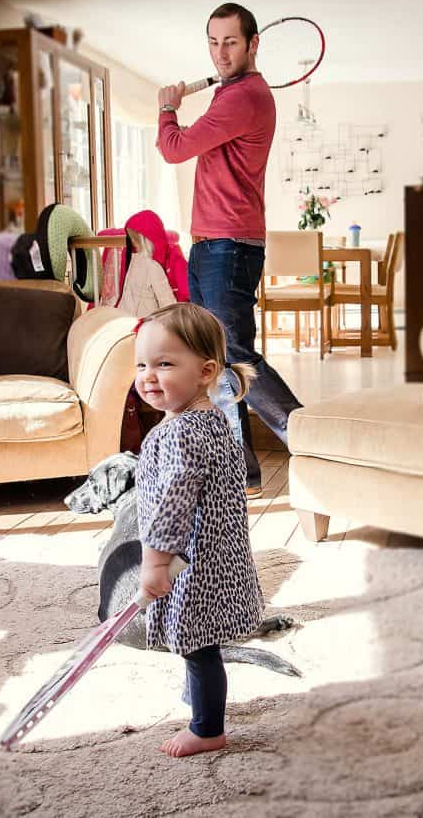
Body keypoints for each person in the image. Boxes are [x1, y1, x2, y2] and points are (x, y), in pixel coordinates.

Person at [157, 2, 302, 497]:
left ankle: (311, 440)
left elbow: (175, 147)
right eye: (213, 42)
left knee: (235, 356)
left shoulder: (245, 98)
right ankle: (239, 468)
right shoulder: (233, 95)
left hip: (229, 247)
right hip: (212, 245)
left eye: (231, 42)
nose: (221, 53)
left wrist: (167, 108)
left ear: (254, 44)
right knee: (217, 362)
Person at [134, 303, 264, 757]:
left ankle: (208, 728)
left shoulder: (181, 434)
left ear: (205, 370)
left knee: (198, 646)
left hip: (194, 564)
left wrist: (155, 563)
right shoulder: (214, 421)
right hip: (219, 555)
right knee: (200, 640)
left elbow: (172, 505)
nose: (149, 376)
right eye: (142, 364)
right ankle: (199, 696)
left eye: (165, 364)